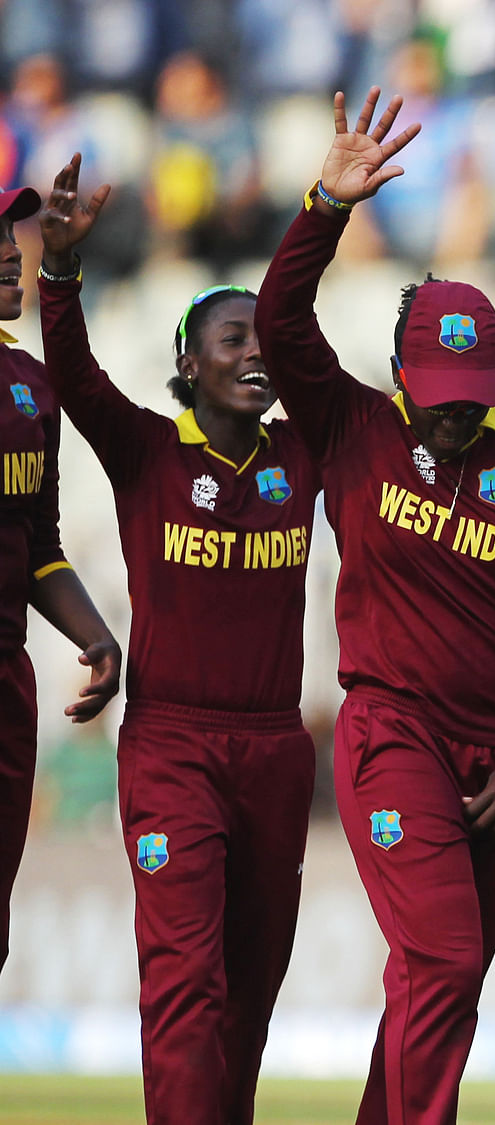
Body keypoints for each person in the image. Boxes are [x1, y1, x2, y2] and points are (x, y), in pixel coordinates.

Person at [254, 88, 495, 1125]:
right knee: (448, 958)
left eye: (475, 397)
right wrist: (324, 205)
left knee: (432, 985)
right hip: (391, 733)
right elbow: (280, 321)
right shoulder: (352, 424)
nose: (459, 419)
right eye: (438, 400)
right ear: (402, 381)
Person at [35, 153, 315, 1125]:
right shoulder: (147, 448)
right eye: (230, 341)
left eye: (262, 341)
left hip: (276, 751)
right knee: (185, 987)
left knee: (250, 997)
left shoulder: (308, 454)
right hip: (173, 748)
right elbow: (72, 378)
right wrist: (61, 278)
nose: (254, 354)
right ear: (188, 364)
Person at [0, 178, 120, 979]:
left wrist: (94, 633)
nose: (13, 253)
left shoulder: (30, 385)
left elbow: (37, 540)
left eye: (14, 237)